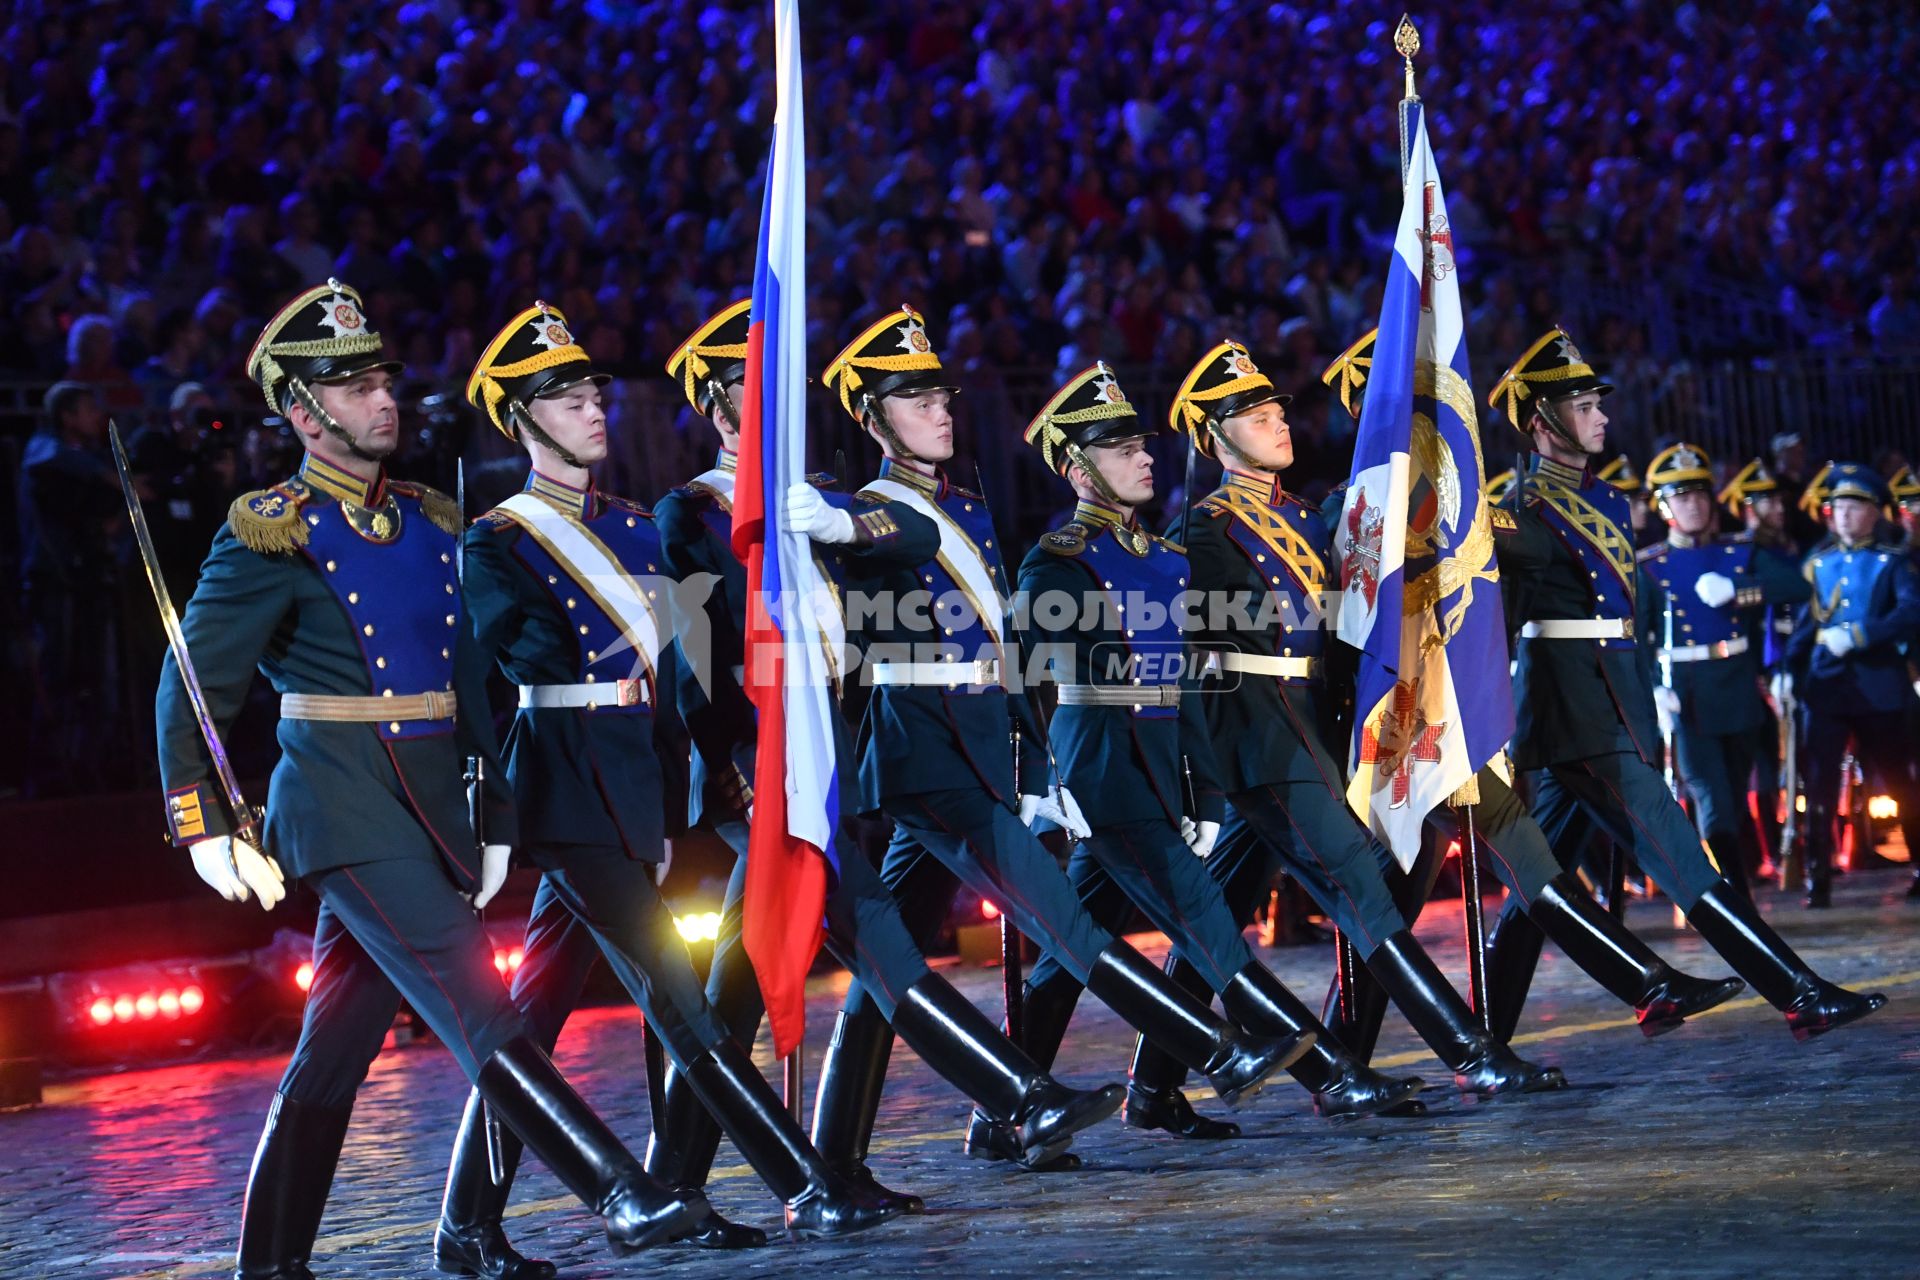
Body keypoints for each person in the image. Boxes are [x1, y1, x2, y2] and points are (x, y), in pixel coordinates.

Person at [156, 279, 707, 1280]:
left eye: (380, 379)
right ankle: (619, 1187)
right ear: (301, 411)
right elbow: (192, 680)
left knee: (335, 1046)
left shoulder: (423, 520)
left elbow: (468, 687)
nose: (381, 400)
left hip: (426, 807)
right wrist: (202, 818)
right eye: (352, 386)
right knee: (475, 995)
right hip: (340, 803)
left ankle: (275, 1262)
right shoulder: (271, 530)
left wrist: (491, 809)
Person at [431, 302, 906, 1279]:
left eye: (591, 388)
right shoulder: (498, 541)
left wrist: (691, 751)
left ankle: (467, 1224)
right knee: (679, 996)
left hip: (632, 780)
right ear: (519, 421)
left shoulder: (635, 527)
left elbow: (674, 661)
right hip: (565, 784)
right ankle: (804, 1179)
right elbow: (493, 686)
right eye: (563, 396)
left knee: (530, 1024)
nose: (591, 406)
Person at [808, 306, 1310, 1182]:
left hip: (979, 745)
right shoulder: (869, 513)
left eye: (938, 393)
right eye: (912, 397)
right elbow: (898, 538)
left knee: (881, 974)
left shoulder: (962, 502)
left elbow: (1008, 657)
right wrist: (831, 524)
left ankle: (842, 1161)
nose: (938, 409)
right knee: (1064, 919)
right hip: (920, 753)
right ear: (872, 417)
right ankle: (1214, 1050)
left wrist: (1033, 766)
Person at [645, 301, 1123, 1211]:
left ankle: (691, 1185)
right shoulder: (694, 513)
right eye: (754, 386)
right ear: (716, 405)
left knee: (737, 994)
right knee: (880, 939)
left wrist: (824, 522)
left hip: (823, 750)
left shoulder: (818, 495)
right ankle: (1021, 1093)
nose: (777, 399)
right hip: (760, 766)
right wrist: (733, 759)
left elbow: (916, 535)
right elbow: (694, 655)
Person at [986, 359, 1420, 1140]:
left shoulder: (1164, 558)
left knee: (1069, 952)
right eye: (1119, 450)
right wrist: (1041, 781)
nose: (1145, 457)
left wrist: (1204, 792)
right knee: (1208, 921)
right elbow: (1020, 681)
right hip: (1103, 765)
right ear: (1077, 468)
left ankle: (1004, 1110)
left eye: (1141, 445)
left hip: (1159, 763)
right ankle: (1327, 1075)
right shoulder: (1057, 559)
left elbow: (1189, 686)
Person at [1480, 328, 1883, 1039]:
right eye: (1582, 405)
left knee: (1534, 889)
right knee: (1683, 858)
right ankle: (1798, 994)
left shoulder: (1602, 500)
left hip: (1611, 705)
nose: (1602, 416)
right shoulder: (1523, 506)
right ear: (1541, 423)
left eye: (1598, 403)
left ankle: (1484, 1042)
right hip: (1575, 713)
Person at [1637, 443, 1808, 896]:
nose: (1692, 504)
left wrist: (1739, 588)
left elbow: (1795, 583)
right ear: (1664, 505)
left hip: (1736, 684)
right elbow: (1637, 636)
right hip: (1686, 690)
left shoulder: (1740, 553)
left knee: (1734, 789)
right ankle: (1737, 893)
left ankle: (1736, 880)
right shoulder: (1650, 566)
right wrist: (1654, 688)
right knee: (1710, 794)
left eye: (1699, 494)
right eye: (1681, 496)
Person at [1783, 463, 1920, 907]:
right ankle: (1818, 876)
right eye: (1837, 506)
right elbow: (1806, 623)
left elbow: (1910, 613)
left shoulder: (1891, 562)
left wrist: (1861, 634)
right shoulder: (1818, 563)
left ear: (1873, 512)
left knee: (1899, 782)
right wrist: (1788, 667)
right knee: (1819, 784)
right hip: (1826, 689)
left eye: (1853, 506)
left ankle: (1919, 864)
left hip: (1878, 684)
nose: (1842, 514)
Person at [20, 380, 122, 791]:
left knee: (95, 677)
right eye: (87, 410)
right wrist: (108, 477)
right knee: (57, 673)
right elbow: (49, 464)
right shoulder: (45, 452)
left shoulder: (86, 459)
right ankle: (47, 771)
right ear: (66, 416)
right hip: (55, 581)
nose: (97, 417)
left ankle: (91, 765)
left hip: (89, 581)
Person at [1717, 458, 1804, 872]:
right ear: (1746, 509)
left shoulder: (1784, 549)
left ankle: (1783, 847)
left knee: (1784, 761)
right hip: (1752, 669)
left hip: (1787, 662)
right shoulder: (1741, 552)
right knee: (1758, 767)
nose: (1777, 509)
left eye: (1777, 501)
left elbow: (1797, 591)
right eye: (1765, 502)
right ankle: (1763, 852)